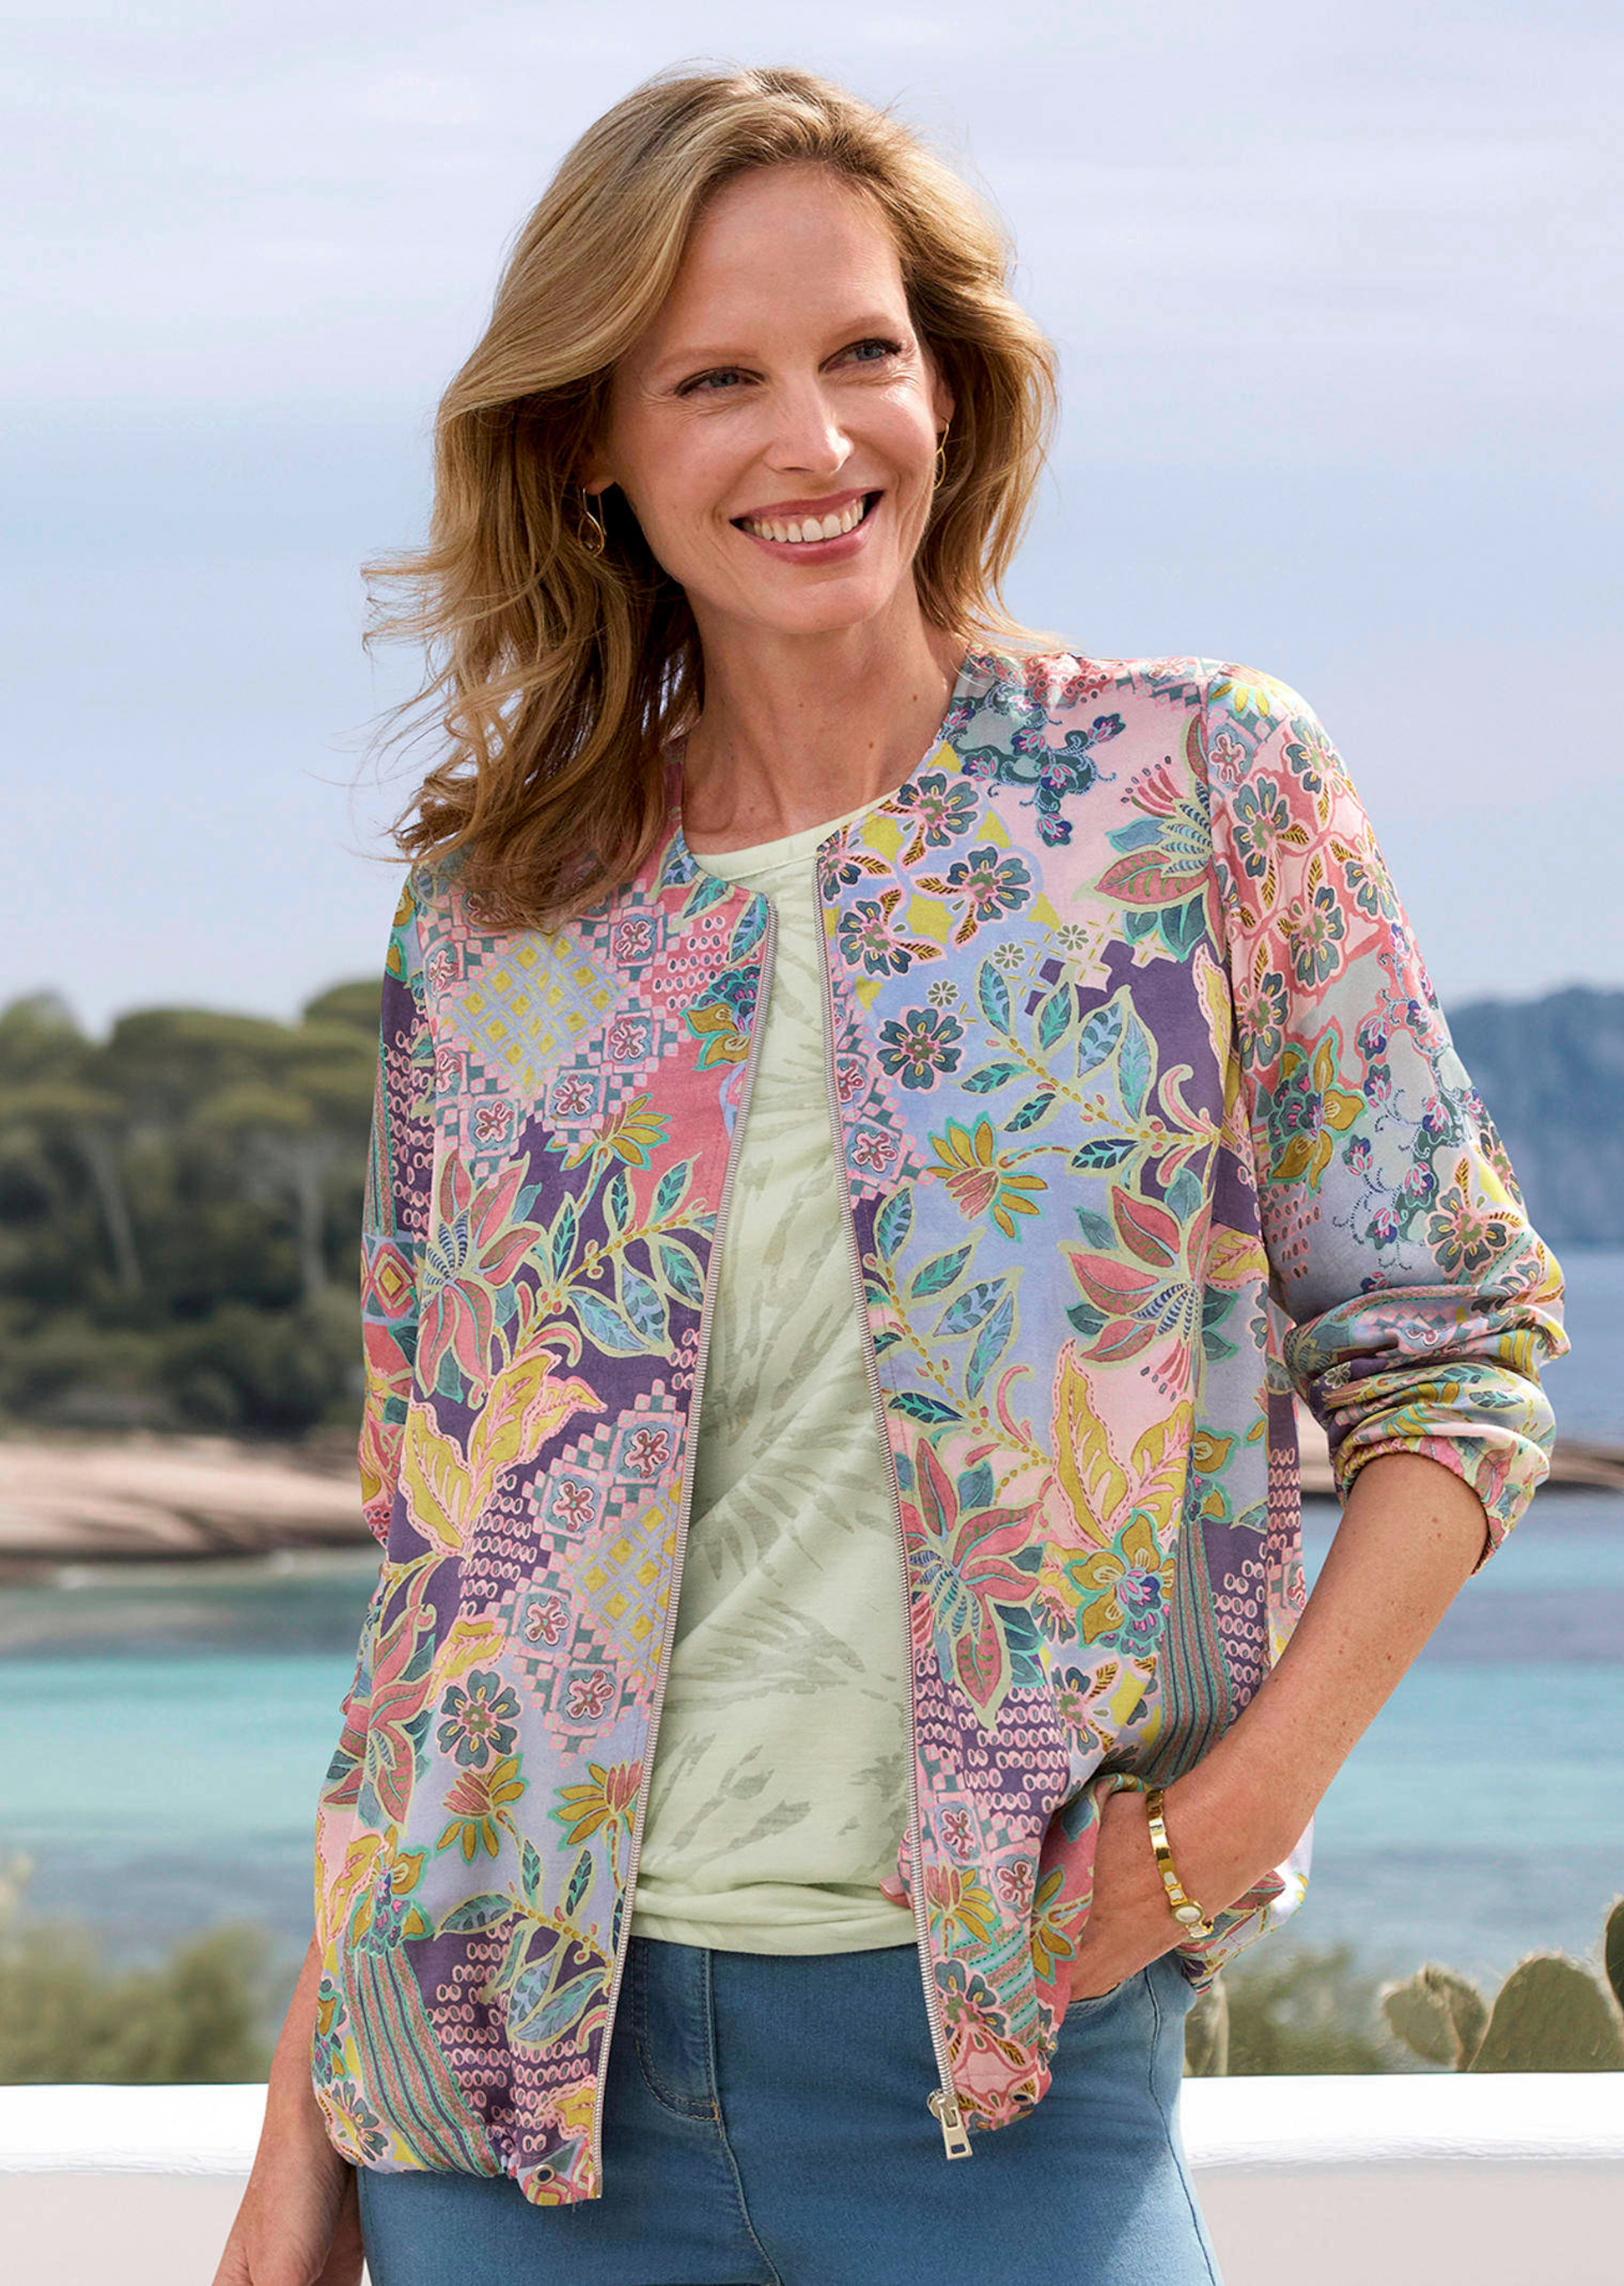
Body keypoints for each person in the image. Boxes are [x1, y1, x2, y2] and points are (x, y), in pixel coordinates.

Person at [214, 62, 1566, 2286]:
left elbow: (1461, 1349)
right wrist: (303, 2135)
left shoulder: (1188, 792)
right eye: (714, 379)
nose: (815, 436)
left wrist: (1217, 1834)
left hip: (1006, 2069)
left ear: (951, 382)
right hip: (502, 2101)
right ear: (594, 443)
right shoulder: (502, 919)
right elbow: (442, 1572)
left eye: (863, 350)